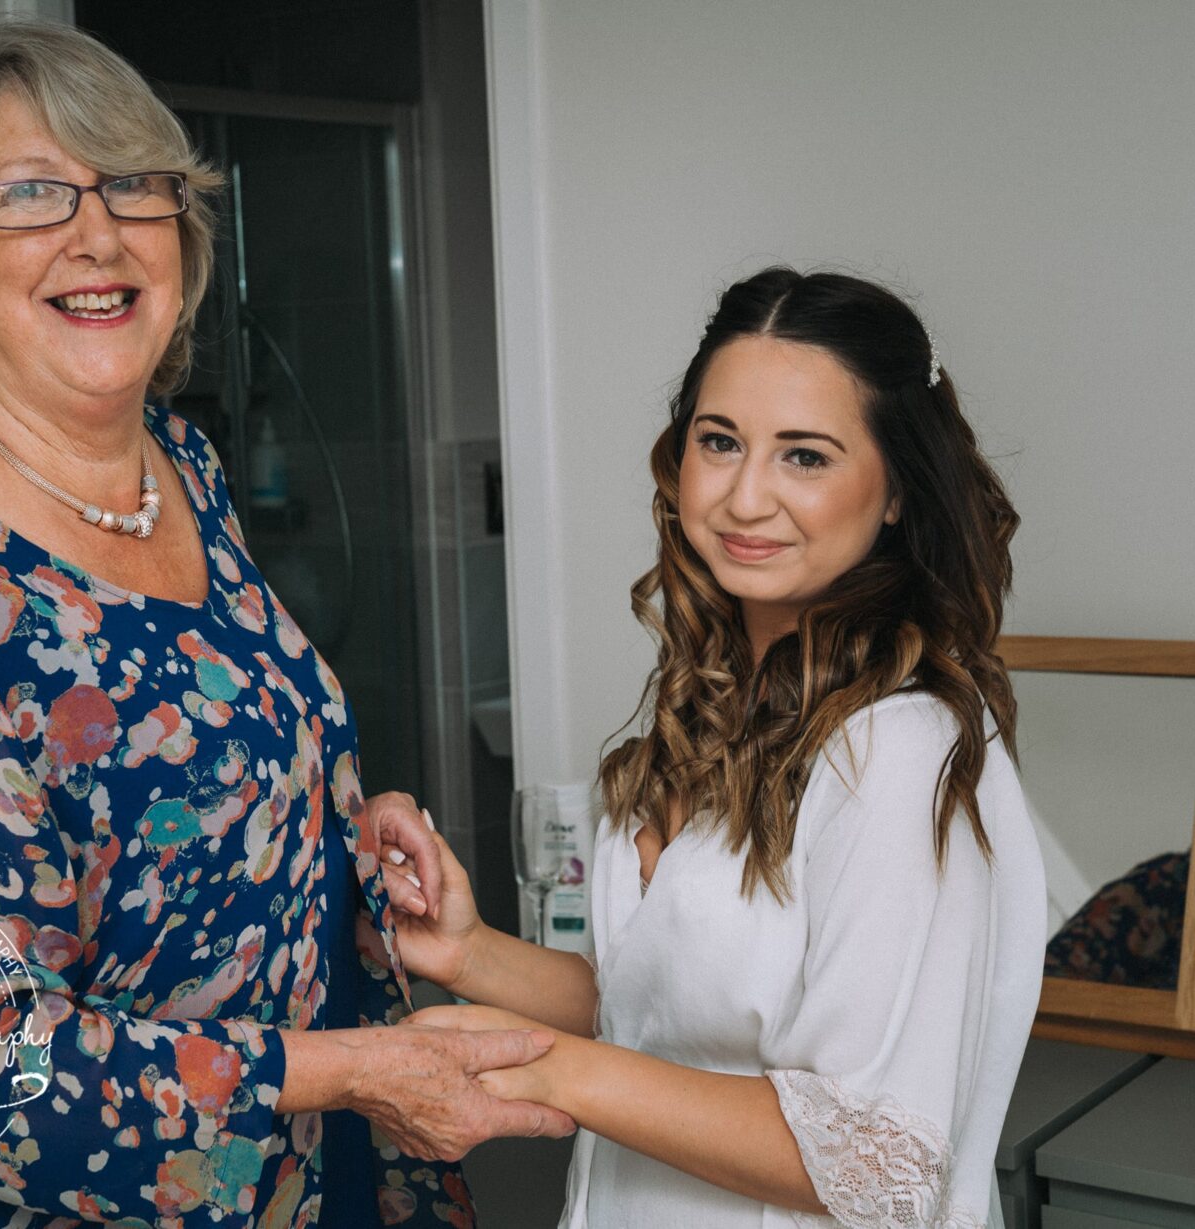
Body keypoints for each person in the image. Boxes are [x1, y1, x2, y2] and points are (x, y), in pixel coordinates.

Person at [0, 21, 570, 1228]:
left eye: (133, 183)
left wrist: (317, 812)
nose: (99, 233)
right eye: (31, 194)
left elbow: (171, 755)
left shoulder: (178, 465)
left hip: (288, 1175)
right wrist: (347, 1071)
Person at [397, 268, 1048, 1227]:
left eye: (805, 456)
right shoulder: (712, 704)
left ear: (899, 490)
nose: (746, 498)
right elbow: (656, 1014)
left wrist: (549, 1068)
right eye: (720, 441)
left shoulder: (900, 745)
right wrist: (469, 953)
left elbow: (876, 1162)